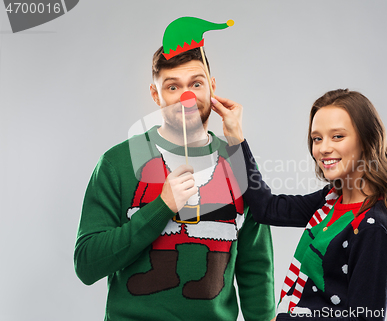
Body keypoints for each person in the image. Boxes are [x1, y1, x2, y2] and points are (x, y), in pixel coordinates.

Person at [74, 47, 275, 321]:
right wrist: (161, 207)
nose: (187, 97)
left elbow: (256, 267)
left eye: (196, 83)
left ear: (212, 87)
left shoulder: (238, 162)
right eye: (172, 87)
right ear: (156, 95)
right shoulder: (117, 163)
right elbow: (87, 265)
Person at [211, 89, 387, 320]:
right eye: (317, 138)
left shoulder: (372, 227)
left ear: (366, 139)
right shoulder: (330, 201)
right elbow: (266, 208)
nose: (323, 148)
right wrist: (234, 137)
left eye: (338, 136)